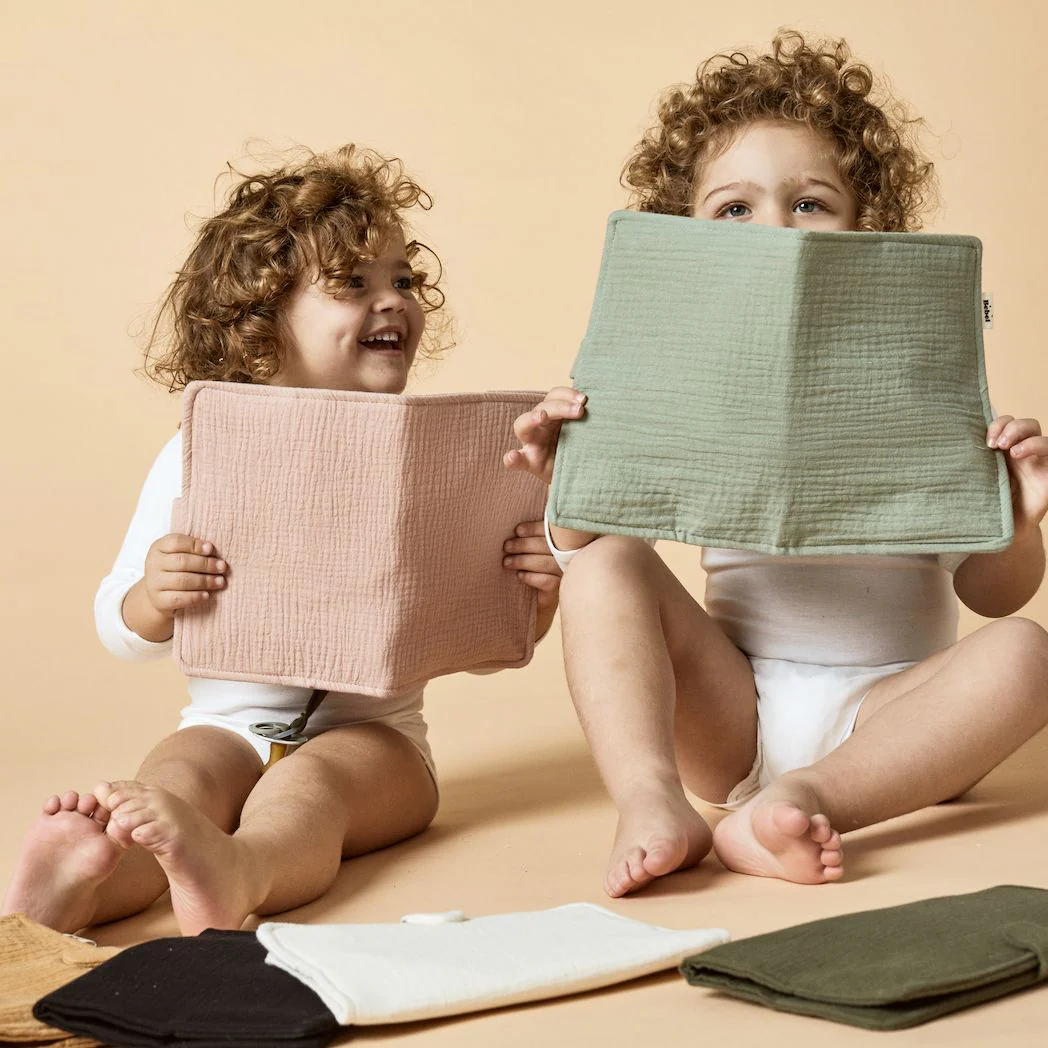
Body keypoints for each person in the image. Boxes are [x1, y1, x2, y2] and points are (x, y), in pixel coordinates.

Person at [505, 32, 1048, 897]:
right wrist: (570, 475)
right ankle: (650, 800)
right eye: (734, 209)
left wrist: (1014, 519)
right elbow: (581, 558)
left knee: (1025, 653)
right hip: (733, 710)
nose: (775, 232)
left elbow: (995, 596)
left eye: (809, 203)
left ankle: (805, 802)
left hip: (897, 722)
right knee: (607, 564)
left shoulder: (920, 382)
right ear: (687, 240)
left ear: (868, 228)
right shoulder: (678, 381)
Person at [3, 145, 561, 935]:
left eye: (403, 280)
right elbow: (116, 625)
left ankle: (243, 869)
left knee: (312, 788)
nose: (393, 301)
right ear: (262, 322)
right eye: (352, 284)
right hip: (226, 726)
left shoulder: (428, 459)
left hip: (379, 742)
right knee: (176, 779)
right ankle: (81, 882)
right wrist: (153, 598)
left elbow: (485, 648)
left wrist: (532, 597)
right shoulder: (201, 451)